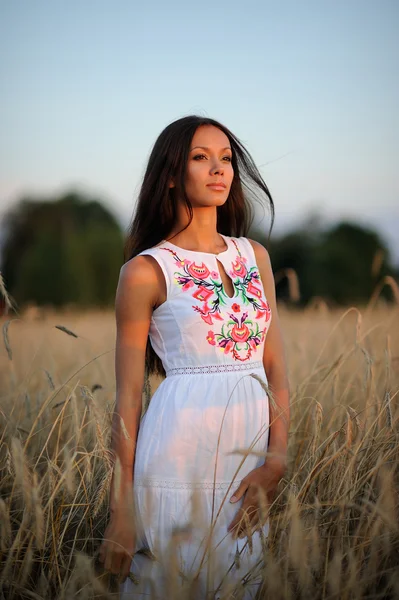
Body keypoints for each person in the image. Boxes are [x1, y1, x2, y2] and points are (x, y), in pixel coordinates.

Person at [98, 115, 290, 599]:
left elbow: (276, 369)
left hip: (246, 460)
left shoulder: (255, 257)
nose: (218, 169)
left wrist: (277, 460)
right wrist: (122, 511)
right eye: (200, 158)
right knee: (167, 580)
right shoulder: (145, 271)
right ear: (170, 173)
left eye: (225, 159)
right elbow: (127, 399)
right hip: (176, 450)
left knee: (237, 581)